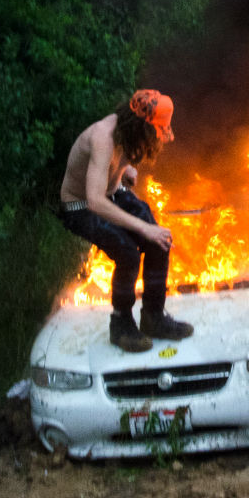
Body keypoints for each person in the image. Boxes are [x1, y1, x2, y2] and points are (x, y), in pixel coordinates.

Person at [58, 89, 194, 352]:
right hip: (80, 204)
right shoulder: (103, 138)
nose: (160, 137)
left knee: (160, 240)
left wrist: (128, 169)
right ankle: (120, 325)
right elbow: (95, 201)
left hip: (111, 192)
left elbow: (117, 169)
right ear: (141, 126)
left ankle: (154, 317)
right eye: (156, 131)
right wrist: (143, 228)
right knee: (128, 253)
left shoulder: (129, 135)